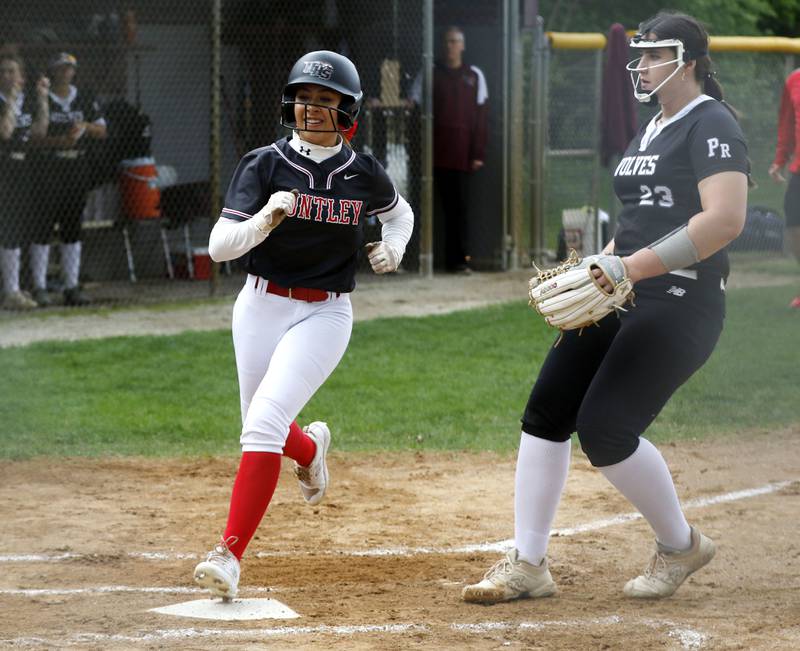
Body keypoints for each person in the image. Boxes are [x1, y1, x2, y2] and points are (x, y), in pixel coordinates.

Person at [462, 11, 749, 604]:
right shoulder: (650, 128)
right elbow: (639, 221)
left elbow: (723, 220)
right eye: (638, 55)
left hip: (683, 301)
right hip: (626, 292)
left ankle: (680, 545)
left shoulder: (711, 122)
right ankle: (529, 564)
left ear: (686, 61)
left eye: (651, 55)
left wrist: (628, 267)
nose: (640, 65)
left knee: (606, 430)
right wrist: (598, 266)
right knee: (545, 414)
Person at [193, 50, 413, 601]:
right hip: (261, 303)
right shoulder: (263, 164)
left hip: (325, 311)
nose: (312, 108)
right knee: (260, 424)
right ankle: (311, 453)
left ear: (349, 110)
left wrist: (392, 248)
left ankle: (229, 556)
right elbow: (220, 247)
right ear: (290, 103)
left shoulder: (362, 171)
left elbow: (399, 213)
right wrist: (268, 216)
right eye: (305, 98)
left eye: (326, 99)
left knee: (264, 421)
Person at [30, 53, 106, 307]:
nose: (65, 72)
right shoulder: (40, 98)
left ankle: (71, 286)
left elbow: (102, 130)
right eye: (60, 68)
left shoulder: (84, 96)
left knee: (72, 226)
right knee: (42, 226)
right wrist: (59, 140)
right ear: (52, 71)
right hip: (48, 167)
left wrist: (83, 126)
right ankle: (39, 287)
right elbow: (34, 136)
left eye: (69, 68)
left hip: (76, 166)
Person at [411, 26, 488, 272]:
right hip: (433, 155)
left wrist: (477, 153)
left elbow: (481, 117)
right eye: (446, 41)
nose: (450, 46)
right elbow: (414, 104)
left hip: (461, 156)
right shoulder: (430, 72)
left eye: (454, 41)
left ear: (462, 46)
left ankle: (457, 261)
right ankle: (418, 260)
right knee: (425, 208)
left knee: (459, 210)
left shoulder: (474, 76)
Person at [0, 53, 49, 310]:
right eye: (3, 71)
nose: (8, 76)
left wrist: (42, 99)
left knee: (15, 227)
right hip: (3, 166)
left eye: (12, 72)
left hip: (22, 167)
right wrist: (10, 100)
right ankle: (10, 291)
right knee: (6, 226)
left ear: (21, 77)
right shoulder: (5, 101)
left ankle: (13, 289)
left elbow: (40, 131)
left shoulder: (26, 102)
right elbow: (6, 132)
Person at [769, 68, 800, 308]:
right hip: (798, 169)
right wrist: (780, 159)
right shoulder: (794, 79)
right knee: (793, 227)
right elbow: (787, 125)